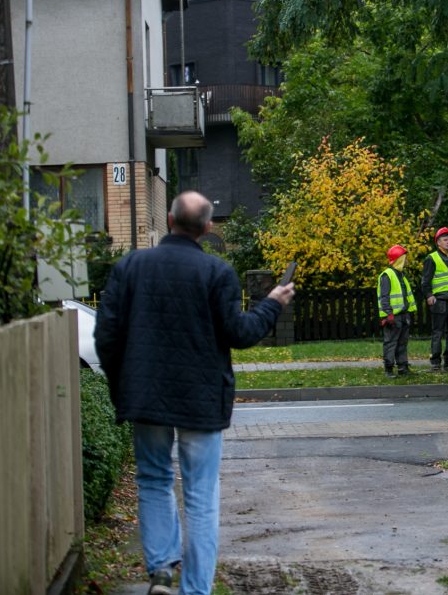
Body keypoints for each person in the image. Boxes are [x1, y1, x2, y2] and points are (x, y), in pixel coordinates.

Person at [94, 191, 295, 595]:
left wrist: (122, 388)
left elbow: (106, 336)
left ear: (169, 219)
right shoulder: (217, 273)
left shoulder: (130, 266)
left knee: (153, 479)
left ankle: (160, 571)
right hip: (201, 402)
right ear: (206, 228)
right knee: (201, 495)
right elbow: (239, 334)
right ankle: (195, 589)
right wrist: (271, 304)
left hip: (146, 398)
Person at [421, 226, 448, 370]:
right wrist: (428, 295)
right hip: (439, 300)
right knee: (438, 332)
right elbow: (425, 280)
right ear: (438, 243)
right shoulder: (432, 258)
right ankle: (435, 362)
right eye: (445, 240)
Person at [378, 244, 417, 378]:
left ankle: (403, 368)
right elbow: (384, 297)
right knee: (391, 343)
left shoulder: (401, 275)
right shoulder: (387, 275)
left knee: (402, 342)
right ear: (399, 259)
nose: (407, 261)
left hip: (403, 315)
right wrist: (389, 314)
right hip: (393, 316)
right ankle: (389, 369)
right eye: (405, 258)